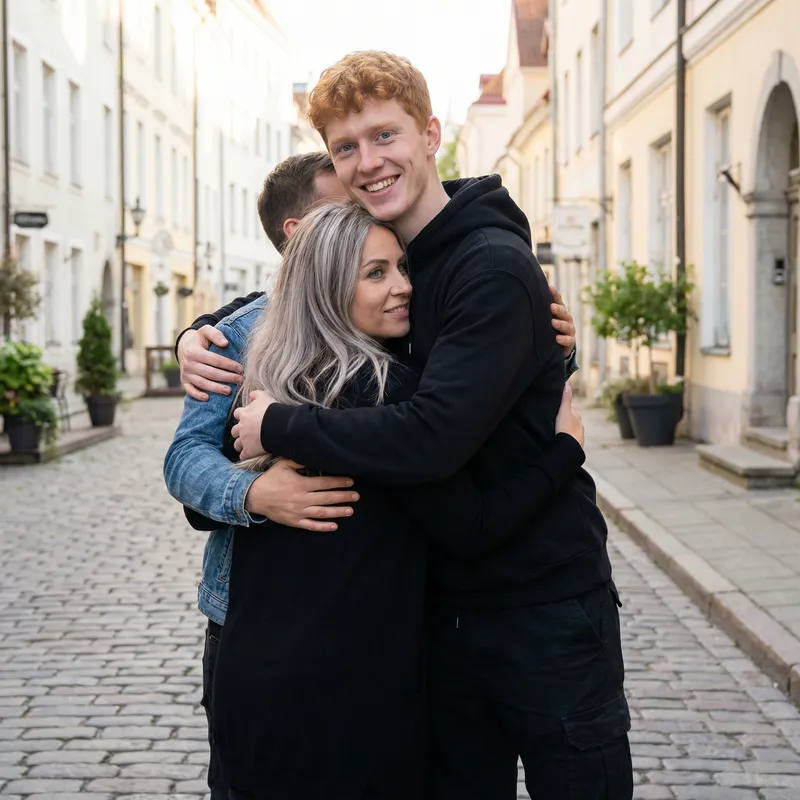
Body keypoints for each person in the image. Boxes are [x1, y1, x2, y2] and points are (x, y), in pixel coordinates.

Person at [227, 52, 632, 799]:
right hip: (437, 612)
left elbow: (432, 436)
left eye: (385, 135)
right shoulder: (398, 258)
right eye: (346, 148)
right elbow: (306, 290)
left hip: (540, 604)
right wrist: (202, 333)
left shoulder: (489, 265)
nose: (368, 162)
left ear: (431, 133)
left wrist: (282, 424)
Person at [166, 151, 579, 797]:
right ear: (311, 255)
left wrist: (534, 338)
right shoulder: (367, 385)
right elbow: (189, 472)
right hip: (353, 684)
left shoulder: (277, 384)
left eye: (401, 265)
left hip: (265, 680)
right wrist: (565, 449)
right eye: (374, 270)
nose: (402, 284)